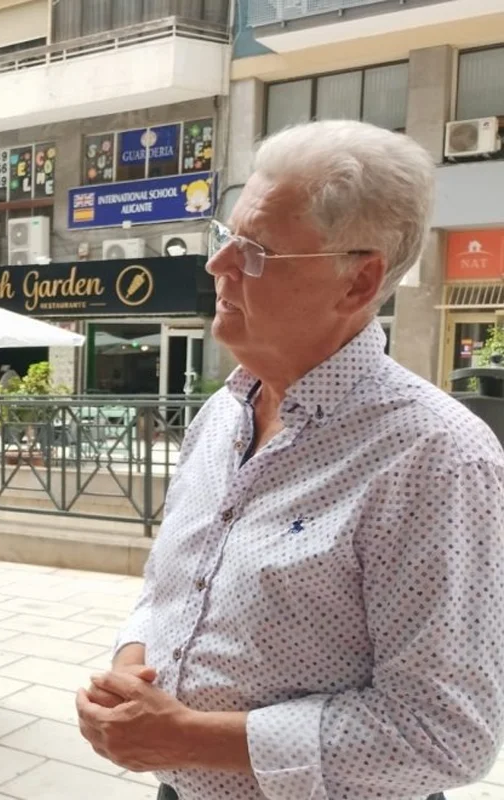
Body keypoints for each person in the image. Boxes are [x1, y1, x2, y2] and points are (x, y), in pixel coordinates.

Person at [77, 119, 504, 799]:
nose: (218, 267)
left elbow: (444, 734)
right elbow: (172, 590)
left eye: (254, 252)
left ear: (358, 282)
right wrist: (131, 670)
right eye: (225, 238)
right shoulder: (224, 412)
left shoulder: (435, 458)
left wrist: (189, 738)